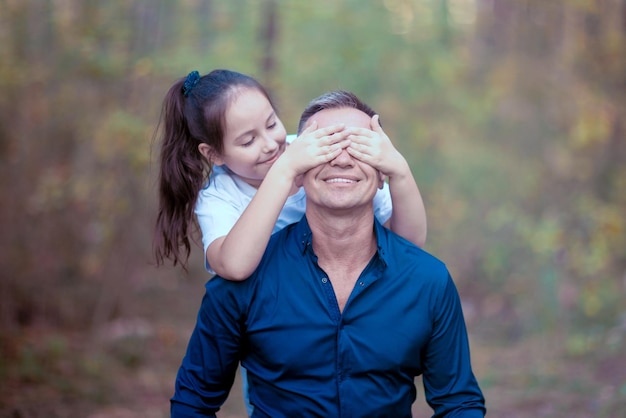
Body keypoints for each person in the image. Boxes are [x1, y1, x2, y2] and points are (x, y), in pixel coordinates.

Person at [170, 91, 486, 417]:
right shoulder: (241, 277)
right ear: (298, 172)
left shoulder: (428, 282)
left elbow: (459, 404)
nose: (342, 159)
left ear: (381, 174)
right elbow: (193, 403)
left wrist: (400, 171)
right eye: (326, 146)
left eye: (360, 148)